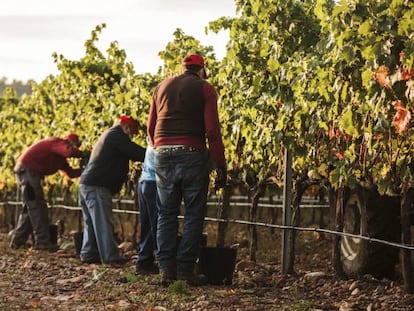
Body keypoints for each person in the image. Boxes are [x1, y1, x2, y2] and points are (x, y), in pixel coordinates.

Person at [147, 53, 227, 286]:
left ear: (182, 68)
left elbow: (151, 128)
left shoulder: (160, 87)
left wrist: (161, 149)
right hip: (192, 153)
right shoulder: (205, 88)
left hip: (161, 152)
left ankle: (165, 270)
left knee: (166, 213)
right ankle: (185, 270)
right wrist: (220, 165)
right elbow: (212, 131)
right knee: (193, 213)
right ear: (202, 69)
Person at [78, 115, 146, 267]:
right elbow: (137, 153)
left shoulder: (109, 134)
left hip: (87, 183)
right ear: (126, 126)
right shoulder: (117, 136)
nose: (131, 136)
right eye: (132, 132)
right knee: (103, 221)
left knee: (91, 221)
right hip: (97, 185)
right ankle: (110, 257)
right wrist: (156, 155)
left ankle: (89, 253)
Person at [11, 134, 85, 251]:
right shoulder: (57, 143)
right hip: (28, 171)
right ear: (70, 142)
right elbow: (68, 152)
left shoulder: (60, 158)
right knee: (38, 207)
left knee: (30, 208)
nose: (76, 148)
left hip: (27, 172)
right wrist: (83, 154)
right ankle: (42, 242)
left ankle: (17, 242)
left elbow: (70, 173)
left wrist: (85, 170)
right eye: (76, 145)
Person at [135, 138, 159, 275]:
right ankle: (162, 262)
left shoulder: (152, 137)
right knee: (157, 224)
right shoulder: (162, 137)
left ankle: (144, 262)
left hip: (144, 181)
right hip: (153, 184)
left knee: (148, 225)